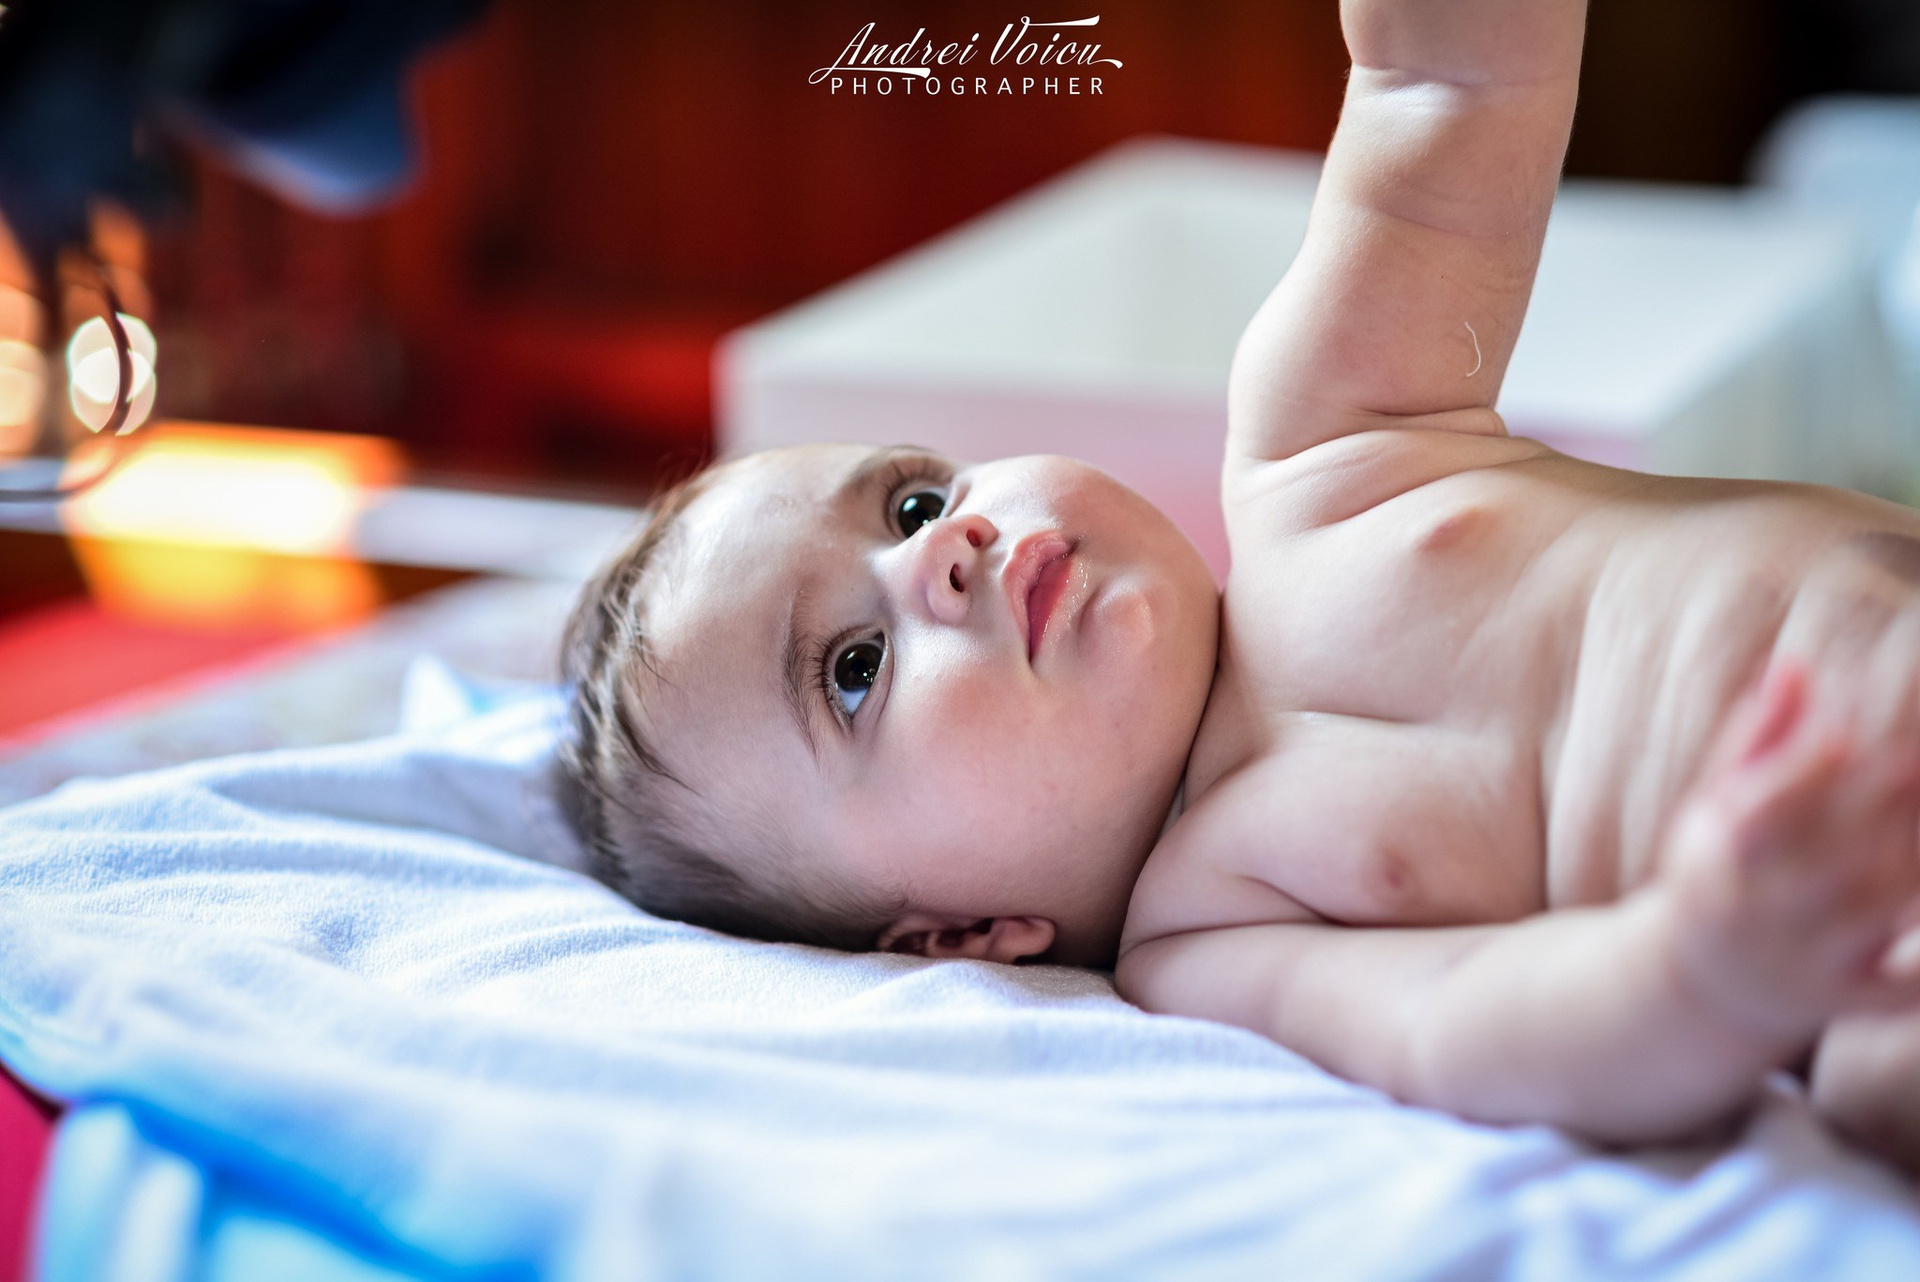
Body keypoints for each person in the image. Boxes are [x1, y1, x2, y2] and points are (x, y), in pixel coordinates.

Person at [559, 0, 1920, 1175]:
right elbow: (1476, 1028)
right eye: (854, 669)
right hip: (1874, 909)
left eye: (912, 499)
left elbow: (1444, 106)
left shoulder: (1324, 450)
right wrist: (1705, 961)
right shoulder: (1216, 940)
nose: (942, 548)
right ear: (959, 936)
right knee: (1880, 1080)